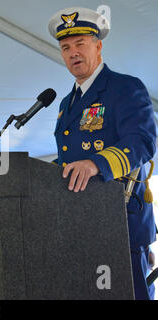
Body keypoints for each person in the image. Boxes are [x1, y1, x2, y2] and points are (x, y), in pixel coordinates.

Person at [48, 7, 157, 299]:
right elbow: (69, 159)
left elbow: (143, 141)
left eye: (80, 44)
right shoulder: (65, 104)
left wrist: (96, 164)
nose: (73, 53)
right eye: (66, 47)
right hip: (79, 225)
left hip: (121, 222)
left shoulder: (124, 88)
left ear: (98, 46)